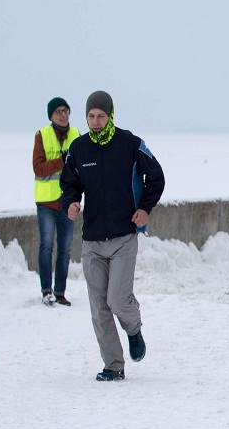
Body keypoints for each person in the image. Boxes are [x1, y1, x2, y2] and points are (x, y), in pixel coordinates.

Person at [60, 91, 165, 381]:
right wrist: (70, 201)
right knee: (99, 307)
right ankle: (113, 365)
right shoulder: (78, 148)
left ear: (110, 116)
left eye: (101, 116)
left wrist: (145, 209)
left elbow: (156, 176)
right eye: (91, 116)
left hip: (123, 238)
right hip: (92, 241)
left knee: (117, 301)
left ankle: (134, 329)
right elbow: (69, 182)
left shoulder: (130, 144)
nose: (95, 122)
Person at [33, 97, 81, 306]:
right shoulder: (42, 135)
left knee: (66, 248)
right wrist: (61, 161)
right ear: (51, 115)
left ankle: (60, 292)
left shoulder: (77, 136)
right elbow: (38, 168)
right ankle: (46, 291)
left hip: (68, 202)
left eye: (66, 111)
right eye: (59, 111)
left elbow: (82, 168)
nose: (63, 115)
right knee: (46, 246)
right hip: (46, 202)